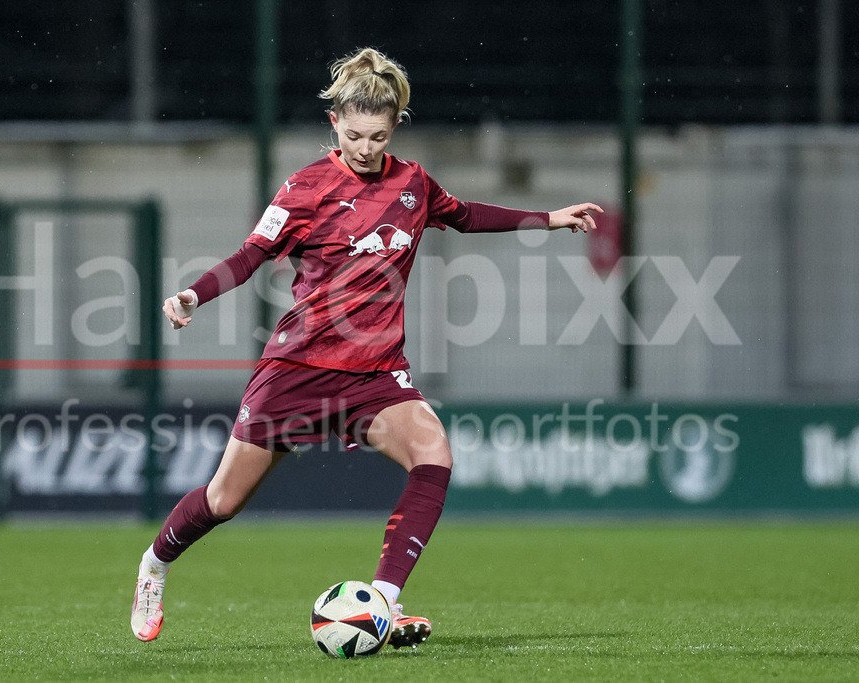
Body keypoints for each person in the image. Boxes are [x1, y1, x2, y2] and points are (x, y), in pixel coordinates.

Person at [131, 47, 600, 648]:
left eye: (377, 135)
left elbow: (465, 215)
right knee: (223, 500)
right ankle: (154, 566)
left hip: (375, 372)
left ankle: (382, 601)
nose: (364, 147)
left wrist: (550, 218)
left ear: (394, 126)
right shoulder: (306, 187)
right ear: (335, 124)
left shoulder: (413, 183)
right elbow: (252, 256)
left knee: (434, 458)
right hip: (298, 366)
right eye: (353, 134)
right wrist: (195, 295)